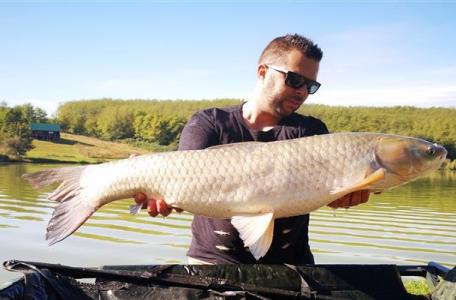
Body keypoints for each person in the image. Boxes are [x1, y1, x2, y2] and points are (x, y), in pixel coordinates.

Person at [133, 33, 369, 264]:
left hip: (294, 265)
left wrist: (343, 196)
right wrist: (162, 196)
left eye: (311, 86)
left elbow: (326, 191)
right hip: (212, 262)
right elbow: (180, 181)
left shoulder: (312, 131)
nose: (303, 92)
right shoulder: (209, 122)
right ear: (262, 72)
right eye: (295, 80)